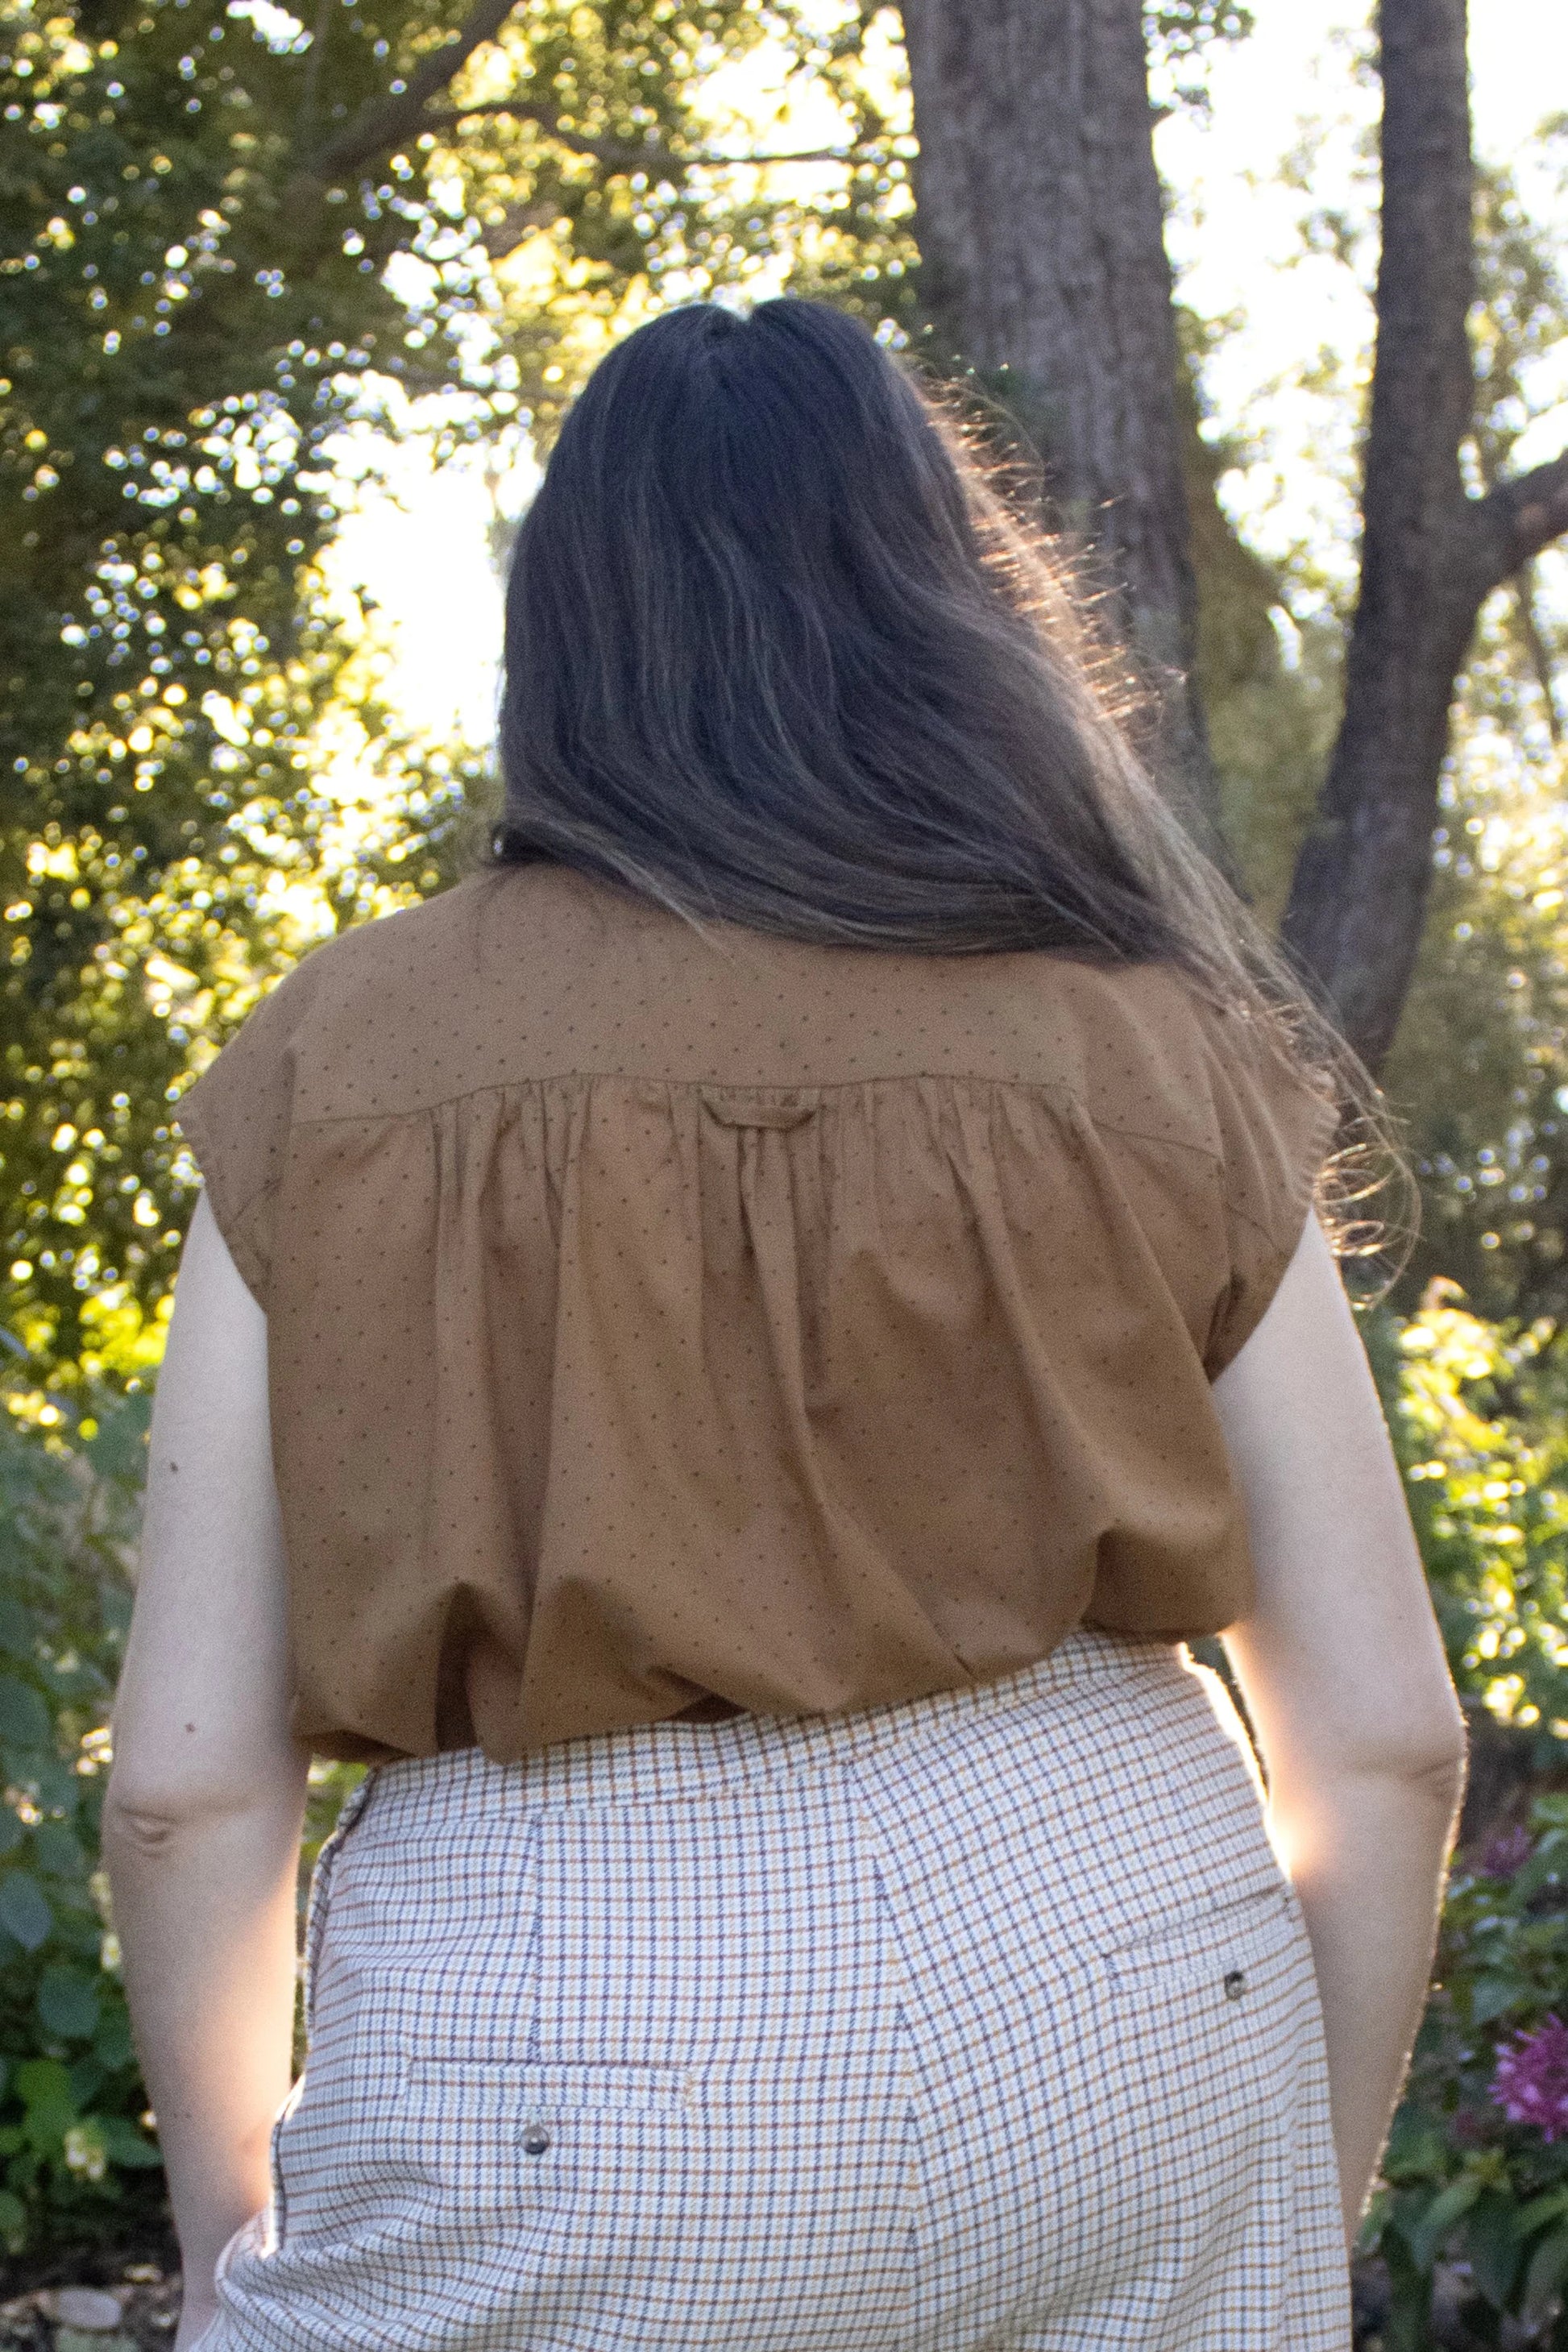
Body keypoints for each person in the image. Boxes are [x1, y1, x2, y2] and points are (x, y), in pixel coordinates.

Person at [105, 297, 1468, 2352]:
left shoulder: (337, 1062)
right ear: (942, 603)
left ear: (566, 629)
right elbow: (1382, 1737)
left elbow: (186, 1784)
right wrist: (1283, 2198)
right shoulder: (1150, 1038)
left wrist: (230, 2229)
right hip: (1133, 1981)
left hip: (564, 2041)